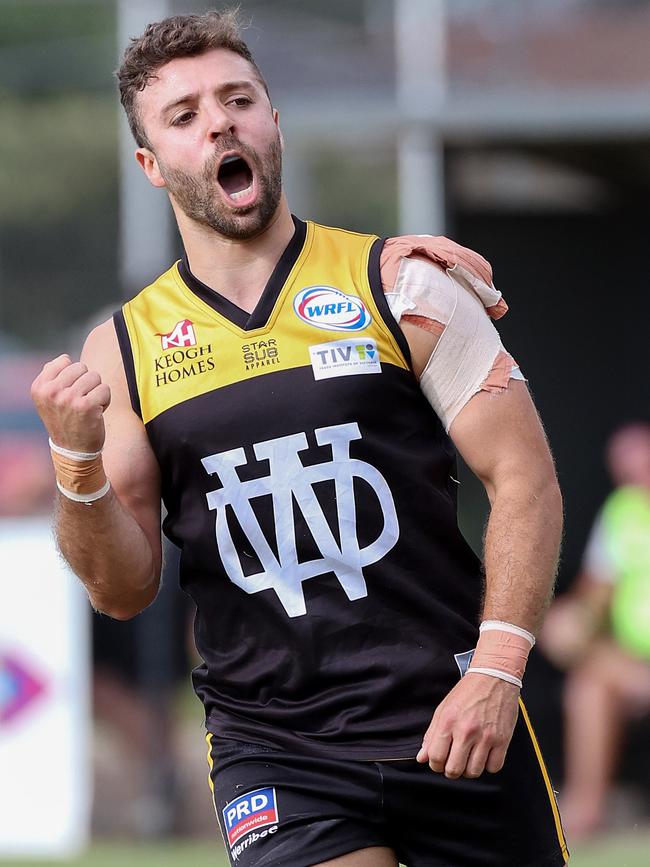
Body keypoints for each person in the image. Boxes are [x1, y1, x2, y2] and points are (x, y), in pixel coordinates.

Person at [31, 11, 566, 867]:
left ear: (273, 120)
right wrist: (77, 464)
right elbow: (122, 589)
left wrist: (497, 672)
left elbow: (525, 477)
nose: (219, 122)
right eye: (185, 115)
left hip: (453, 712)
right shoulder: (123, 351)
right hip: (277, 749)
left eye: (238, 99)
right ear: (152, 166)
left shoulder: (403, 283)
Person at [539, 422, 650, 841]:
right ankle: (587, 810)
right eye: (630, 469)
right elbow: (597, 593)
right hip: (635, 663)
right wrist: (573, 620)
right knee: (588, 685)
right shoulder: (623, 511)